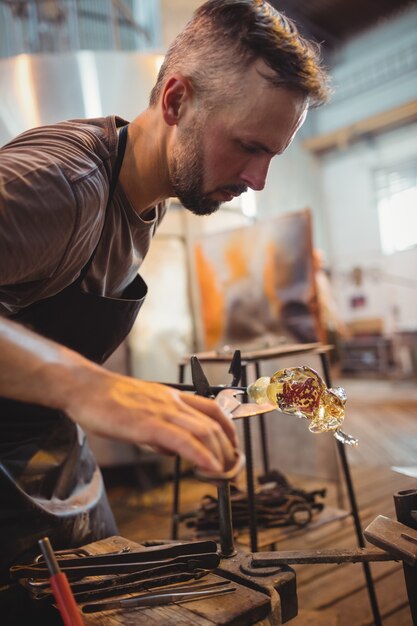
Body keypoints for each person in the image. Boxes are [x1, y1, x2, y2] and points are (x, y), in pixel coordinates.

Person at [0, 0, 329, 586]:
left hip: (51, 466)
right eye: (250, 146)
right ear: (176, 101)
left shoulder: (145, 199)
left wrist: (148, 400)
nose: (257, 180)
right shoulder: (62, 183)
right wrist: (85, 385)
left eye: (272, 156)